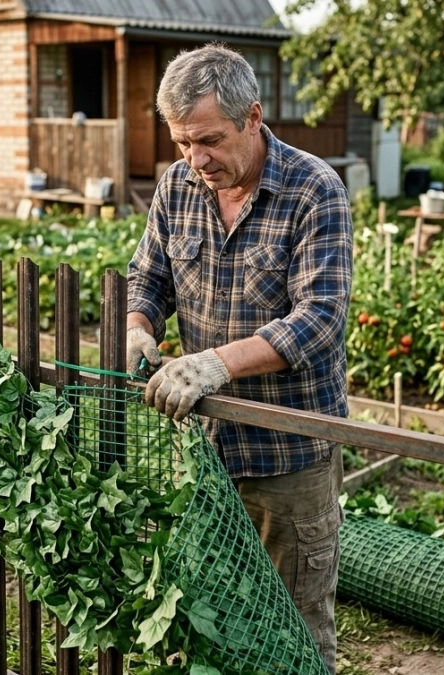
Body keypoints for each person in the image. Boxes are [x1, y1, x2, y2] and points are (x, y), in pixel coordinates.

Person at [125, 43, 352, 672]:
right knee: (216, 614)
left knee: (295, 628)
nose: (196, 159)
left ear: (252, 117)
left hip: (289, 458)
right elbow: (148, 277)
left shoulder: (313, 190)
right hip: (206, 452)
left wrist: (216, 364)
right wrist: (138, 326)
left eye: (210, 140)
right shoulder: (178, 187)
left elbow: (320, 320)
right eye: (181, 143)